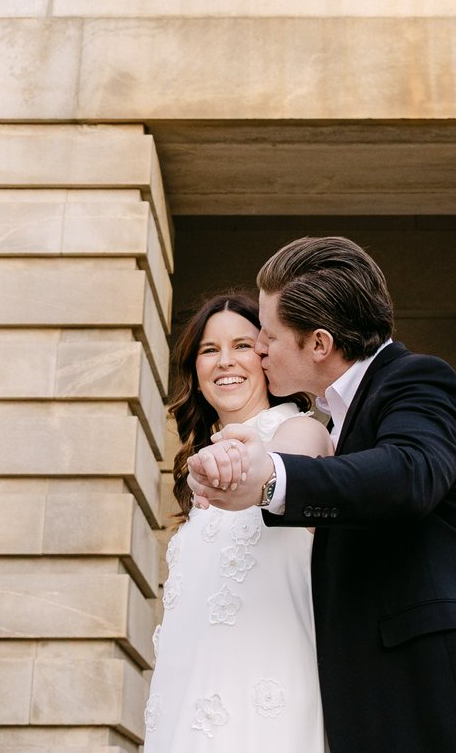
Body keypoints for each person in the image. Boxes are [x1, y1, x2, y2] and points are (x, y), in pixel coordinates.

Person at [189, 237, 456, 753]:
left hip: (442, 696)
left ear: (318, 343)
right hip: (377, 706)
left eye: (267, 335)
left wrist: (272, 479)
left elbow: (408, 474)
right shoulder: (334, 420)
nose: (258, 348)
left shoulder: (419, 381)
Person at [145, 290, 332, 751]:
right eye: (210, 350)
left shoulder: (299, 430)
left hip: (265, 705)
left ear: (267, 356)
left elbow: (291, 471)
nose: (225, 361)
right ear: (196, 370)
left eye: (242, 346)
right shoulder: (198, 468)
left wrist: (242, 463)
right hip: (182, 706)